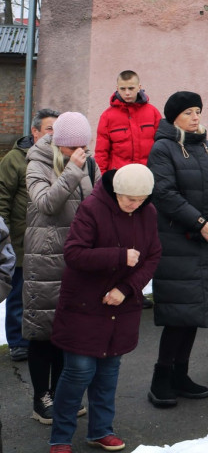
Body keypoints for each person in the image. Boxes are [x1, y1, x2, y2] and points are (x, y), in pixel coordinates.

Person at [48, 164, 161, 453]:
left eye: (140, 200)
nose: (133, 205)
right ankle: (60, 437)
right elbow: (74, 253)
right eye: (128, 200)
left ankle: (100, 431)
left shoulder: (148, 212)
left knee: (109, 371)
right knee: (79, 371)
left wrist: (125, 289)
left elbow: (152, 256)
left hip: (121, 306)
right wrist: (120, 256)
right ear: (116, 192)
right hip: (84, 303)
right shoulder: (92, 208)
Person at [146, 92, 208, 408]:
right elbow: (164, 194)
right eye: (189, 112)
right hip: (177, 242)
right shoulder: (163, 149)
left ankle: (180, 375)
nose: (196, 117)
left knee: (194, 311)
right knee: (177, 314)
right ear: (174, 117)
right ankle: (160, 378)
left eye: (198, 111)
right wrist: (199, 223)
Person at [24, 111, 97, 424]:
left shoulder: (85, 161)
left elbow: (91, 204)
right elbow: (47, 204)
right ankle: (42, 397)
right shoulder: (37, 163)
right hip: (44, 256)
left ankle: (61, 391)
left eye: (83, 146)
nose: (80, 151)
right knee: (43, 331)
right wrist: (72, 170)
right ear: (59, 144)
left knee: (67, 330)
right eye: (73, 147)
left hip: (75, 256)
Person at [0, 108, 57, 364]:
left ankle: (40, 337)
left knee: (43, 293)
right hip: (21, 240)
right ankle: (17, 342)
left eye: (58, 130)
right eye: (49, 129)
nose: (54, 135)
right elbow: (1, 198)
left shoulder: (59, 157)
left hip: (50, 241)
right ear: (35, 132)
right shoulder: (14, 159)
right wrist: (5, 237)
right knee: (19, 292)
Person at [94, 70, 162, 174]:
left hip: (148, 175)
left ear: (139, 87)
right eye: (123, 88)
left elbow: (161, 147)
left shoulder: (153, 113)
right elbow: (101, 153)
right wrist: (101, 181)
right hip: (119, 178)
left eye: (131, 88)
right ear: (117, 89)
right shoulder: (107, 117)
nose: (127, 93)